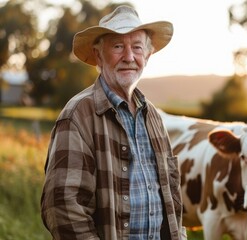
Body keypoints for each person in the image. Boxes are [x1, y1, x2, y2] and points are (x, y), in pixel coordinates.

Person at [41, 5, 186, 240]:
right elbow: (63, 208)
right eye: (118, 46)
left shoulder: (154, 118)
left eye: (137, 47)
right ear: (99, 55)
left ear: (147, 56)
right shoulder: (78, 115)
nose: (129, 57)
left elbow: (172, 201)